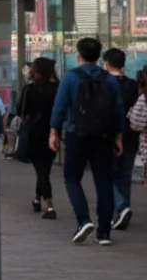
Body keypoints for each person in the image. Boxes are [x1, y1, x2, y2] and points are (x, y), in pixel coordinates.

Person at [49, 37, 125, 245]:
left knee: (72, 178)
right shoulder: (109, 79)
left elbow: (60, 107)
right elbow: (118, 109)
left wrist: (54, 132)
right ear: (99, 56)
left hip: (77, 135)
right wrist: (118, 136)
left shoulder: (70, 78)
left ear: (78, 55)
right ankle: (104, 233)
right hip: (104, 137)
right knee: (104, 182)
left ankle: (83, 220)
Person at [14, 57, 59, 218]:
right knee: (44, 168)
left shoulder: (30, 89)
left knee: (42, 171)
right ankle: (37, 199)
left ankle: (50, 206)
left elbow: (20, 110)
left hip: (33, 134)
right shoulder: (57, 88)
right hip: (52, 133)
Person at [104, 48, 140, 231]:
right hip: (131, 136)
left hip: (109, 136)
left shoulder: (104, 83)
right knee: (124, 175)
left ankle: (119, 208)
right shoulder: (132, 85)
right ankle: (122, 208)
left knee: (108, 174)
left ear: (107, 63)